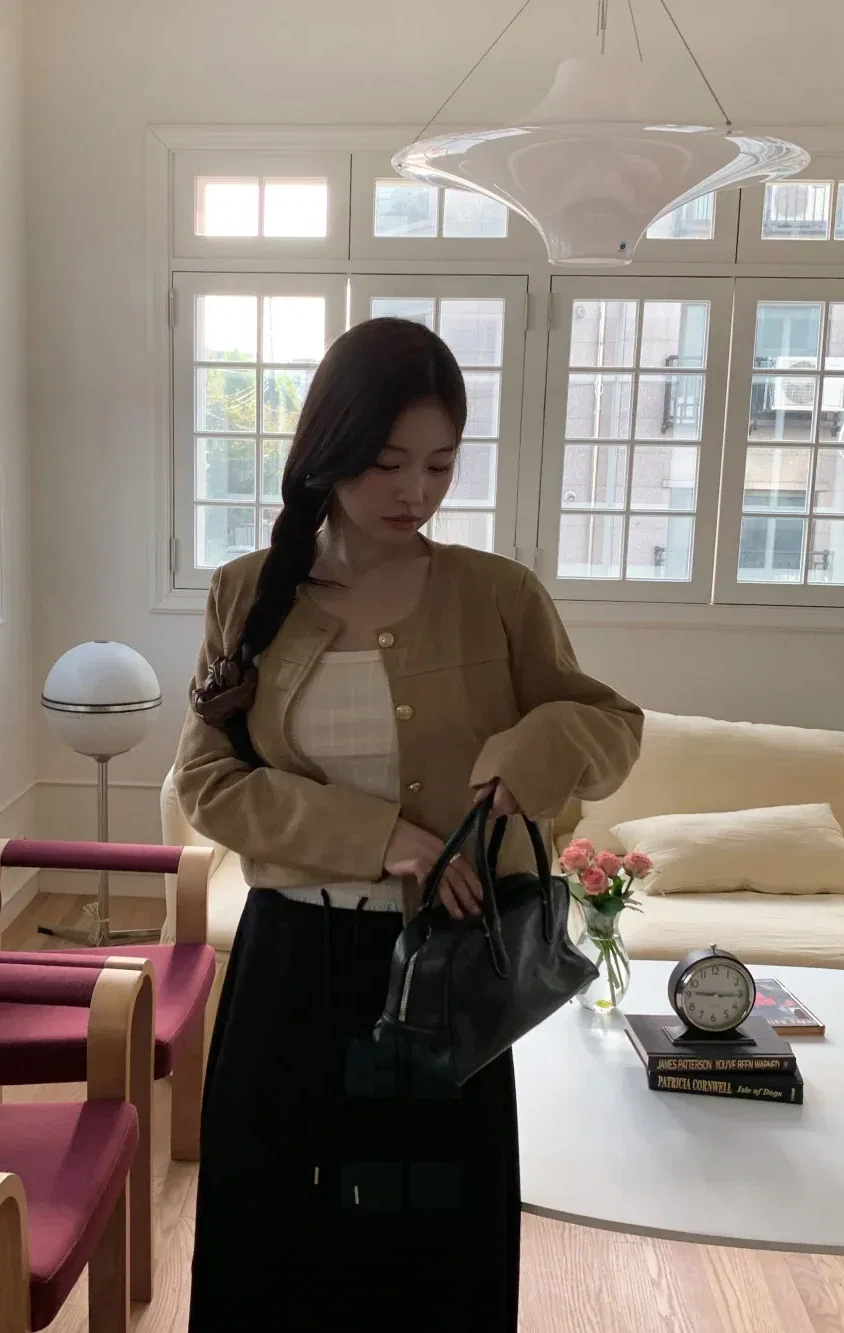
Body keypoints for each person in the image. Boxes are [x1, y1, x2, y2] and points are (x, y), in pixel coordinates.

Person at [175, 317, 643, 1331]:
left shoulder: (497, 595)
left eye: (439, 464)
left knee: (426, 1234)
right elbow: (206, 782)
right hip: (289, 962)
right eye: (388, 462)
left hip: (441, 971)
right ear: (330, 447)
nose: (415, 491)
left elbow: (612, 726)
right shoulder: (247, 594)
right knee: (270, 1222)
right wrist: (381, 834)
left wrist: (532, 752)